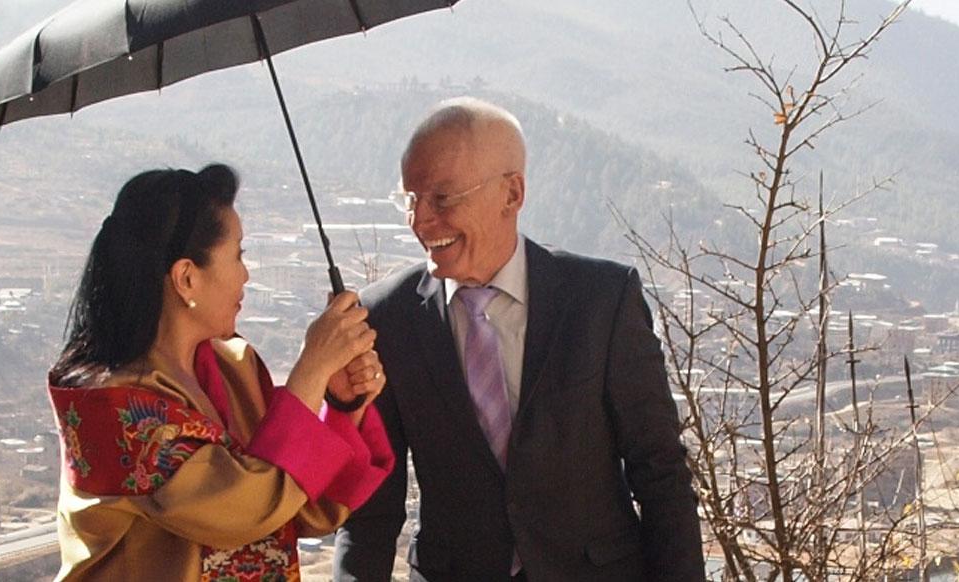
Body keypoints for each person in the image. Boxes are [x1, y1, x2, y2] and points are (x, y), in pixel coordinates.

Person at [332, 98, 704, 581]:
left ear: (512, 194)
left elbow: (662, 477)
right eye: (410, 199)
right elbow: (371, 516)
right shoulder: (385, 319)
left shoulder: (601, 302)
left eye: (442, 199)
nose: (420, 221)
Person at [47, 164, 395, 581]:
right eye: (238, 254)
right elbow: (246, 509)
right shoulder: (112, 410)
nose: (246, 274)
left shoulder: (234, 369)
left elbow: (300, 507)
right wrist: (310, 370)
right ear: (187, 277)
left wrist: (337, 401)